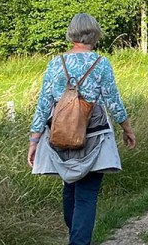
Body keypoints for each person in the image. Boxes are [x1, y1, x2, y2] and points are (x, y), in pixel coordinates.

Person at [28, 13, 136, 245]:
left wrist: (34, 140)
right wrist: (127, 129)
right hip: (93, 136)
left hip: (60, 136)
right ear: (94, 34)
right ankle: (78, 240)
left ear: (71, 35)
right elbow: (113, 101)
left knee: (70, 188)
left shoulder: (56, 63)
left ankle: (76, 236)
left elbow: (44, 103)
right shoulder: (101, 63)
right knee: (86, 197)